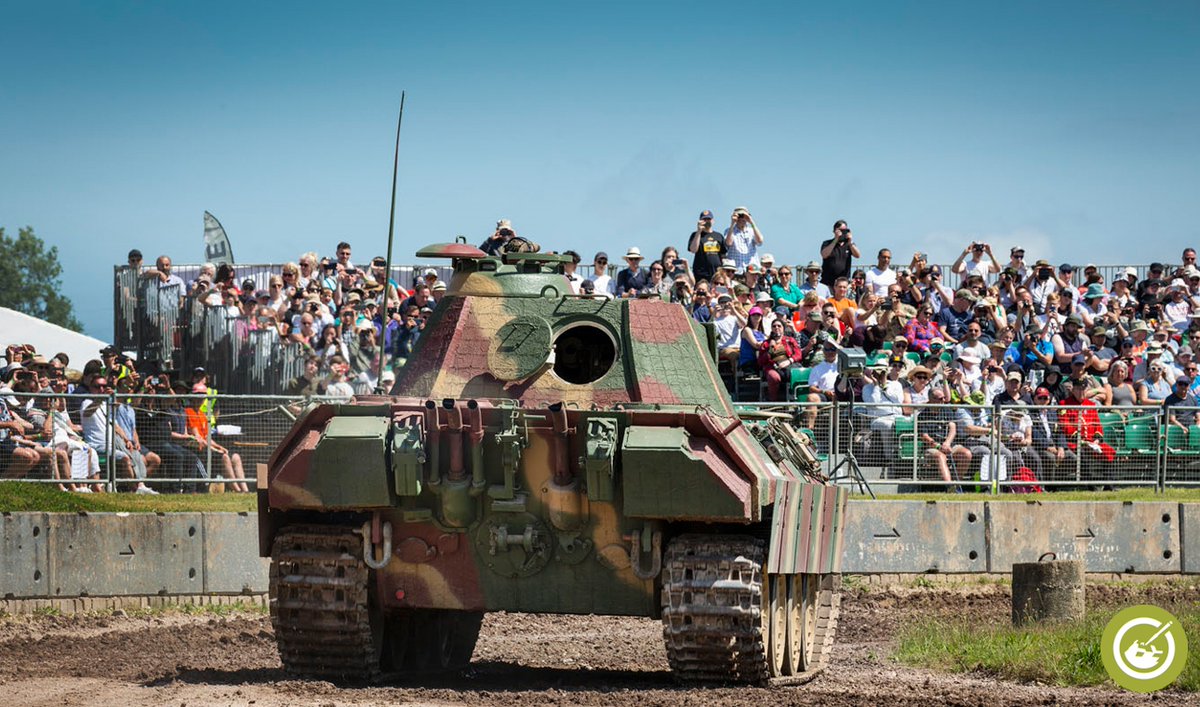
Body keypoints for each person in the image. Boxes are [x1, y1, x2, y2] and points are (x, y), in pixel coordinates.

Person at [919, 386, 972, 487]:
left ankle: (957, 484)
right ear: (931, 400)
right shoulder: (922, 415)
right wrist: (939, 446)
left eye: (944, 398)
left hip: (949, 444)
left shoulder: (946, 410)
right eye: (940, 399)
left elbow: (952, 427)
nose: (943, 400)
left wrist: (947, 443)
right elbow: (924, 436)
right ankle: (949, 487)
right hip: (932, 447)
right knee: (940, 456)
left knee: (966, 454)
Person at [757, 318, 802, 401]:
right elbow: (760, 361)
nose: (776, 328)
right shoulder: (766, 343)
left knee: (795, 373)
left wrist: (789, 361)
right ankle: (773, 401)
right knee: (774, 377)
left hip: (788, 365)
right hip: (772, 367)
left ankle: (795, 399)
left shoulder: (790, 340)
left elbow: (798, 354)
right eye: (774, 326)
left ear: (783, 328)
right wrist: (770, 349)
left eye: (779, 326)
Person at [687, 210, 726, 283]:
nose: (707, 221)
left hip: (716, 273)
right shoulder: (695, 235)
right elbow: (693, 250)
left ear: (713, 221)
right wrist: (699, 231)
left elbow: (723, 255)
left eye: (709, 219)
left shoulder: (719, 236)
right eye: (704, 219)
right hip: (701, 274)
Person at [819, 220, 859, 287]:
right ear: (834, 231)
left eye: (845, 230)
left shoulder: (849, 245)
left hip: (843, 283)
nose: (843, 233)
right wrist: (836, 240)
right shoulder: (827, 243)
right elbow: (824, 255)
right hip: (828, 282)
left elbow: (857, 255)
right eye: (840, 230)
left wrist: (850, 242)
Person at [724, 206, 763, 273]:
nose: (741, 218)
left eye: (743, 216)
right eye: (739, 216)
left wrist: (751, 222)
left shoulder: (752, 231)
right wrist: (732, 223)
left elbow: (760, 242)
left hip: (751, 271)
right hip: (735, 270)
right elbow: (728, 243)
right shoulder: (729, 230)